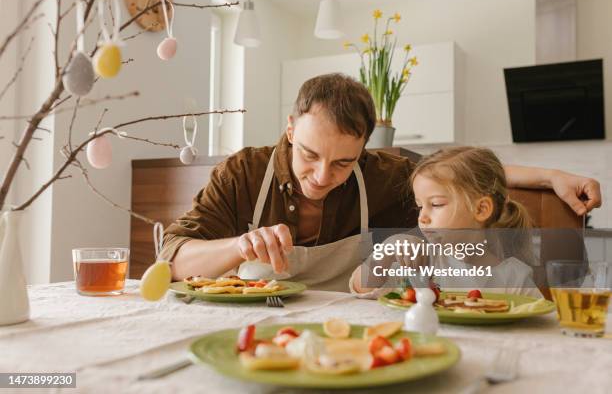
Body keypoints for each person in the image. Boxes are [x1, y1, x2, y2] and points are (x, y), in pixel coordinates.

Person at [162, 73, 602, 292]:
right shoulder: (241, 173)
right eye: (310, 156)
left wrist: (551, 176)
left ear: (365, 148)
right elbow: (172, 261)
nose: (321, 177)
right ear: (292, 128)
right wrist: (237, 246)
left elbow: (461, 177)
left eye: (341, 163)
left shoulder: (385, 176)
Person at [350, 146, 542, 298]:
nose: (422, 217)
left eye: (436, 204)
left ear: (482, 209)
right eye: (420, 207)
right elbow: (361, 287)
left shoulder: (514, 278)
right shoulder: (422, 261)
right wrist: (387, 249)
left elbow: (541, 334)